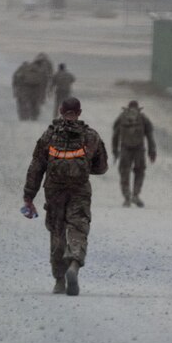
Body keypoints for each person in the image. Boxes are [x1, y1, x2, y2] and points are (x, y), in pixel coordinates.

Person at [23, 97, 108, 295]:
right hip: (79, 190)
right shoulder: (91, 136)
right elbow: (102, 167)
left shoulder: (49, 135)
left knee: (57, 232)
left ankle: (59, 281)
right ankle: (74, 266)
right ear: (79, 112)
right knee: (78, 228)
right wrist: (83, 166)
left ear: (61, 111)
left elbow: (37, 167)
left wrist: (29, 196)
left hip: (54, 191)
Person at [111, 100, 157, 207]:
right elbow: (150, 136)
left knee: (124, 172)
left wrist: (115, 151)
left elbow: (115, 136)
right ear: (138, 108)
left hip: (125, 149)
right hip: (139, 150)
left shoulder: (122, 117)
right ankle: (135, 195)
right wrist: (152, 151)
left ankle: (127, 197)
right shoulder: (142, 118)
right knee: (139, 172)